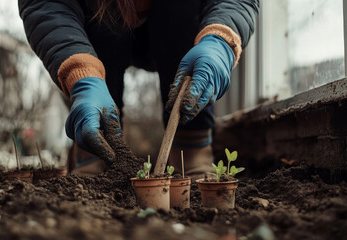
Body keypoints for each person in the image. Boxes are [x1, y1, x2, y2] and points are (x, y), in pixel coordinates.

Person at [19, 0, 259, 178]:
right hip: (98, 23)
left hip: (182, 24)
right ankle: (94, 147)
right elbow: (47, 6)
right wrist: (81, 76)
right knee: (103, 13)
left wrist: (221, 39)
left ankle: (192, 144)